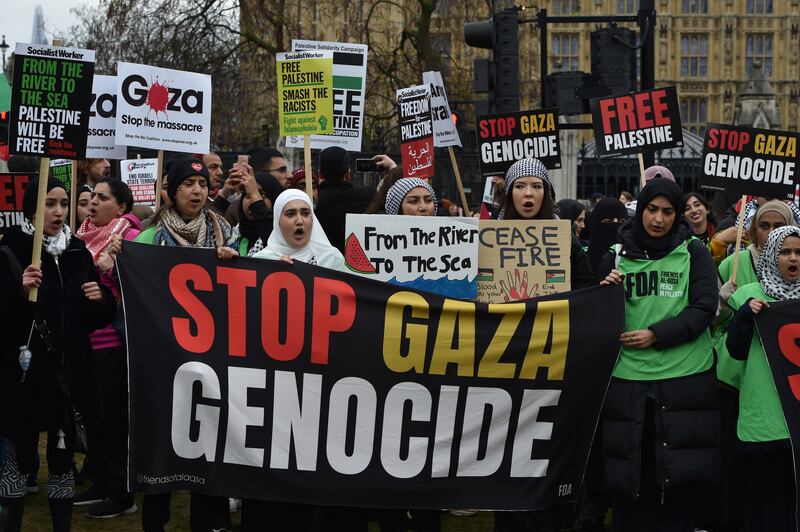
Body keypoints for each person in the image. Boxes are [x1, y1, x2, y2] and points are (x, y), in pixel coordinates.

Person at [596, 178, 720, 532]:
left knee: (676, 484)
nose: (659, 219)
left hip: (684, 382)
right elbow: (596, 317)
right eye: (652, 209)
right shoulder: (616, 256)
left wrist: (656, 334)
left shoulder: (694, 251)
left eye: (668, 211)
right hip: (629, 384)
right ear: (641, 210)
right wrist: (606, 293)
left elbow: (704, 308)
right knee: (634, 480)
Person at [0, 177, 115, 532]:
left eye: (63, 204)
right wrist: (19, 291)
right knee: (20, 458)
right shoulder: (12, 249)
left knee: (62, 458)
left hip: (69, 374)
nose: (58, 211)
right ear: (31, 206)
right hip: (24, 374)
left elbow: (93, 318)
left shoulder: (77, 250)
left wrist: (102, 300)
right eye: (49, 203)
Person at [248, 190, 363, 532]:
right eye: (290, 214)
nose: (299, 220)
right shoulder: (262, 261)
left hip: (324, 380)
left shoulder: (334, 260)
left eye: (305, 213)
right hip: (280, 382)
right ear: (277, 221)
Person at [133, 157, 237, 532]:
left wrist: (232, 265)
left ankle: (213, 518)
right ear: (171, 192)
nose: (197, 191)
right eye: (187, 184)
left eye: (202, 184)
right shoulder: (147, 239)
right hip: (166, 361)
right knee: (166, 438)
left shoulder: (229, 236)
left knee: (210, 438)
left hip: (214, 360)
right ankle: (155, 518)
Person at [377, 177, 442, 532]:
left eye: (427, 200)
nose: (422, 207)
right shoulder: (376, 248)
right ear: (395, 209)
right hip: (390, 366)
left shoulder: (457, 245)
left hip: (437, 364)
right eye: (413, 201)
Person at [73, 178, 141, 518]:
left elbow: (139, 290)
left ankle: (121, 493)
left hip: (113, 342)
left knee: (114, 421)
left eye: (102, 198)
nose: (93, 203)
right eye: (92, 198)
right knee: (95, 419)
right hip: (88, 342)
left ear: (122, 207)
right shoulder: (83, 236)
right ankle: (101, 482)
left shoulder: (125, 239)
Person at [726, 225, 800, 532]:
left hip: (796, 422)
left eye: (798, 252)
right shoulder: (750, 296)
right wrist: (744, 316)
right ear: (771, 255)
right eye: (785, 252)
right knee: (765, 510)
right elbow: (735, 351)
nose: (793, 258)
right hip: (765, 421)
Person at [498, 158, 593, 289]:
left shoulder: (567, 240)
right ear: (509, 193)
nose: (528, 193)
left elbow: (584, 287)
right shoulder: (491, 239)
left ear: (545, 193)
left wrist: (607, 287)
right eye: (519, 186)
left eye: (537, 186)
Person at [315, 146, 374, 253]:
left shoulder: (312, 203)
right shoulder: (368, 197)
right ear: (348, 174)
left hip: (322, 265)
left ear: (320, 174)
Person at [238, 171, 284, 256]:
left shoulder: (282, 236)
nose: (252, 201)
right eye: (247, 195)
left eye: (262, 195)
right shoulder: (232, 235)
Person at [587, 197, 628, 282]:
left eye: (621, 221)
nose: (616, 225)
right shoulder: (582, 261)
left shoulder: (632, 258)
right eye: (609, 221)